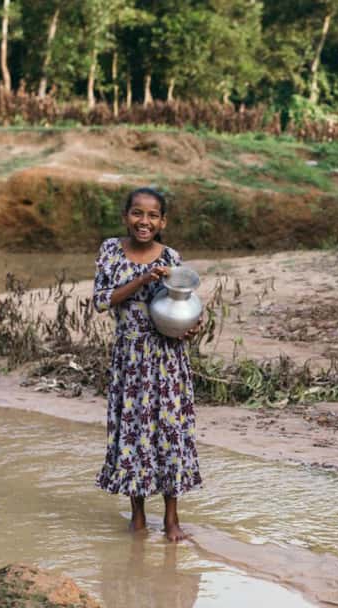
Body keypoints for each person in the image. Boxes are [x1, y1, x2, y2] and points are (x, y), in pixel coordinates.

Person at [92, 187, 201, 542]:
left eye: (153, 216)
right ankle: (137, 518)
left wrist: (190, 328)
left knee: (171, 435)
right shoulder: (111, 250)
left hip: (168, 361)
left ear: (162, 222)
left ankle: (171, 520)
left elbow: (182, 303)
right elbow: (102, 301)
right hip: (131, 360)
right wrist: (142, 279)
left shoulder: (171, 256)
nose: (145, 221)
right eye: (138, 213)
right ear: (126, 217)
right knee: (133, 436)